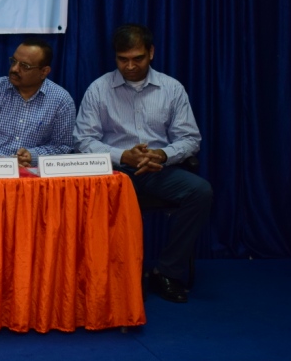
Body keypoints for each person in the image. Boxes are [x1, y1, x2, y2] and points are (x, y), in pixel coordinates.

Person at [74, 24, 212, 303]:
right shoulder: (99, 89)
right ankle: (116, 273)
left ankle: (168, 271)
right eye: (122, 59)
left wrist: (162, 155)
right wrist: (123, 156)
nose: (130, 66)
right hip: (113, 171)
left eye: (137, 58)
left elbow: (190, 139)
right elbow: (82, 141)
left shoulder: (171, 88)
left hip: (158, 169)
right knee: (92, 197)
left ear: (151, 53)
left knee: (200, 192)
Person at [0, 39, 75, 167]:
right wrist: (2, 162)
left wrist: (33, 156)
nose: (14, 69)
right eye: (14, 61)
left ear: (44, 71)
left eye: (25, 66)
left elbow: (63, 147)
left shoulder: (61, 100)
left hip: (33, 171)